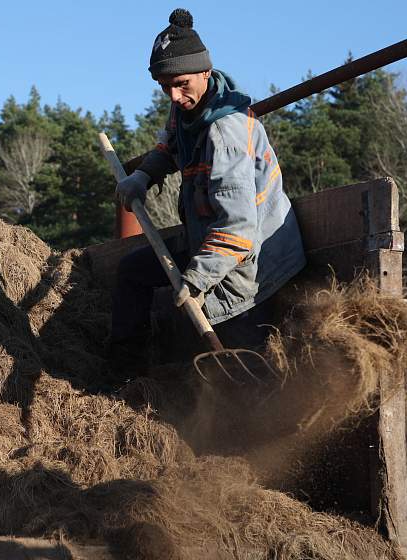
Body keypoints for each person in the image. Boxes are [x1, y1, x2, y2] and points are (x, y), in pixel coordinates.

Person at [108, 8, 306, 380]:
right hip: (212, 244)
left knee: (245, 372)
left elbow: (238, 229)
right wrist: (144, 175)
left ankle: (257, 421)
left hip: (255, 264)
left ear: (204, 71)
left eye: (181, 83)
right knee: (132, 271)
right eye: (165, 86)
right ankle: (124, 378)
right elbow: (171, 147)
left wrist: (195, 281)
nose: (174, 95)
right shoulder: (187, 109)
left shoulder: (225, 133)